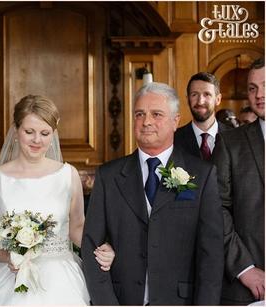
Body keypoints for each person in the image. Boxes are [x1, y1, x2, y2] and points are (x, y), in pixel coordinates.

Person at [82, 82, 224, 305]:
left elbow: (211, 257)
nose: (146, 121)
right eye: (140, 114)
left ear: (176, 121)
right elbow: (91, 246)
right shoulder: (108, 176)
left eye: (156, 114)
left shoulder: (202, 175)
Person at [0, 95, 115, 305]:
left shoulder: (68, 175)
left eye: (44, 133)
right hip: (9, 275)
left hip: (61, 276)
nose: (37, 140)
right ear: (16, 130)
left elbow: (77, 227)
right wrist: (11, 258)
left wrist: (101, 247)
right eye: (29, 132)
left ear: (53, 134)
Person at [212, 58, 265, 305]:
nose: (259, 95)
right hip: (247, 285)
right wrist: (244, 268)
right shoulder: (230, 143)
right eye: (253, 88)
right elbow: (216, 209)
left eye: (265, 85)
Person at [174, 72, 232, 161]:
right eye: (194, 94)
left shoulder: (234, 137)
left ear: (218, 99)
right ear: (187, 99)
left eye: (207, 94)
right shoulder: (174, 139)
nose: (200, 101)